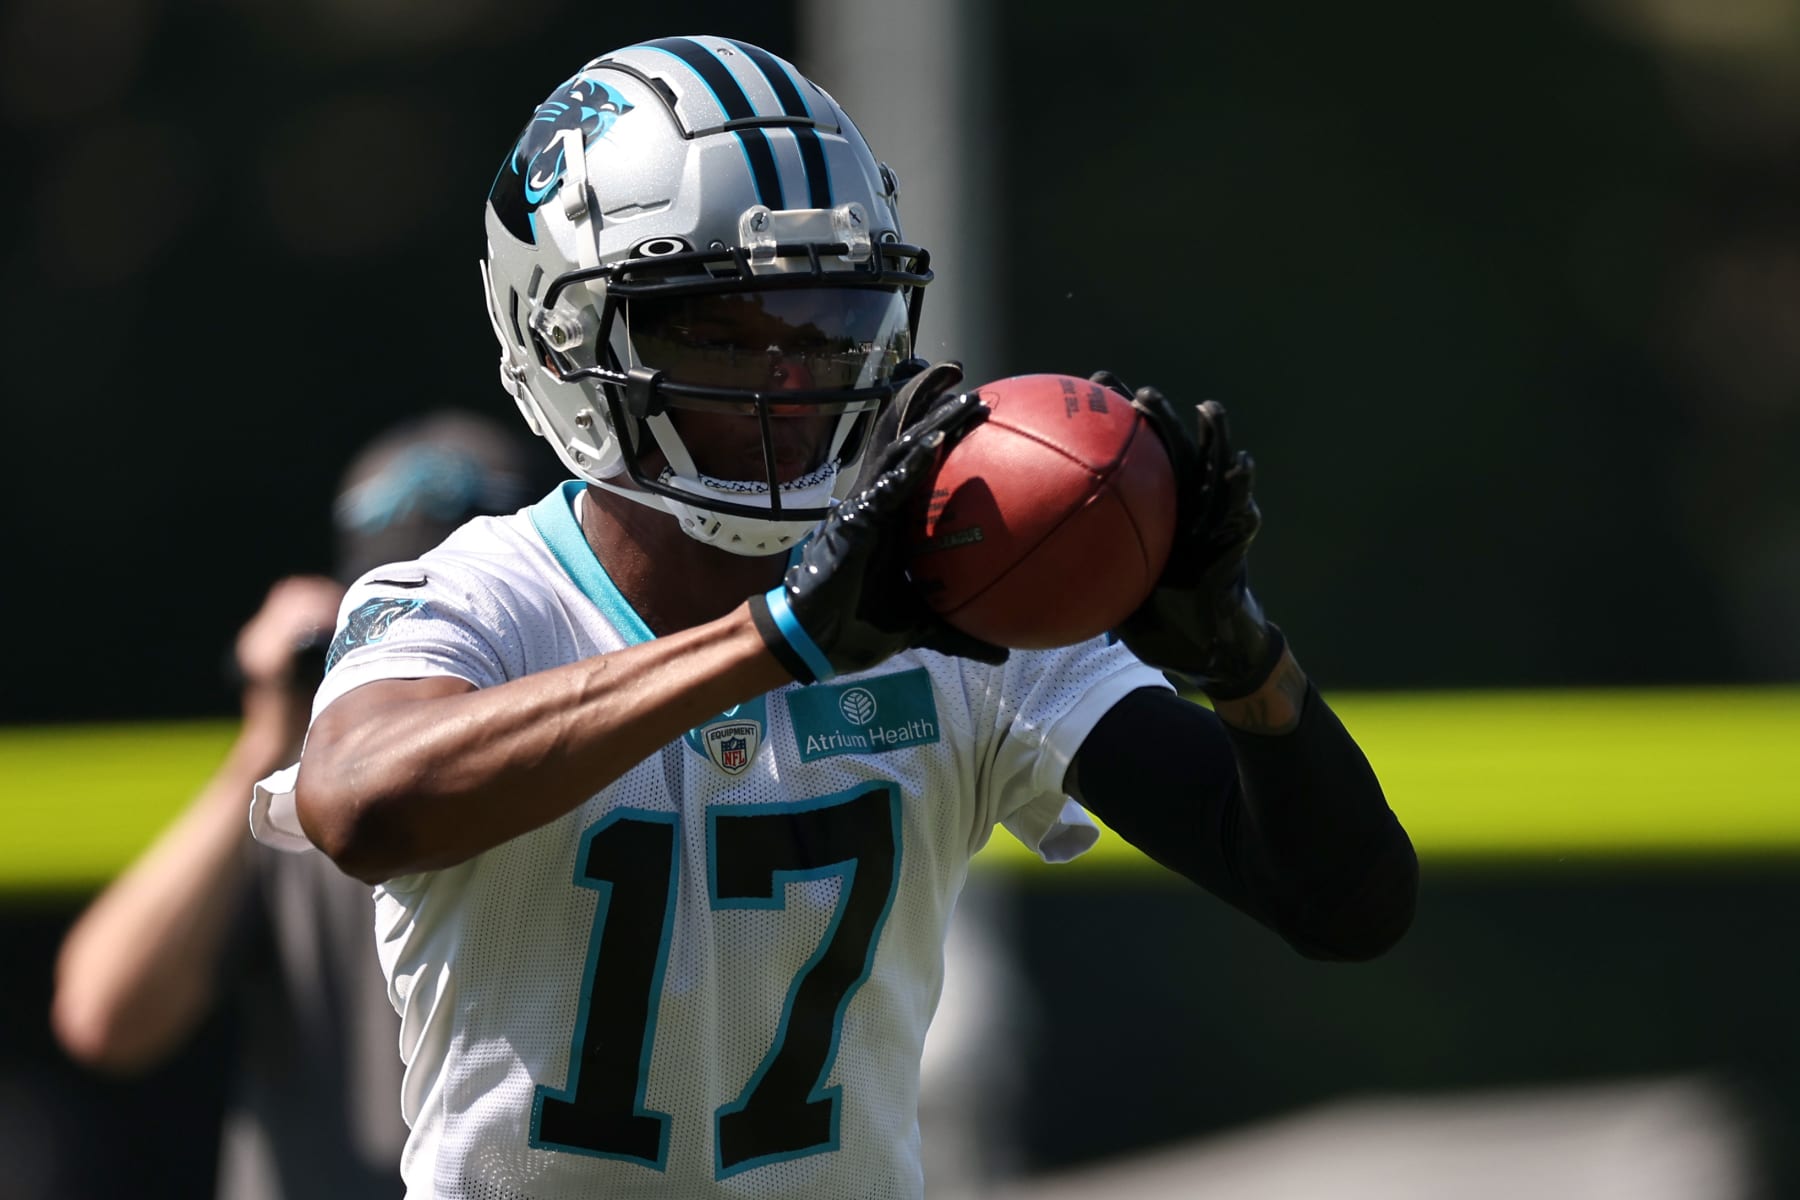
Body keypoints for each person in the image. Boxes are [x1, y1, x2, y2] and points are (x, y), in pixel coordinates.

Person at [251, 34, 1418, 1200]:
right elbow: (362, 805)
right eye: (721, 331)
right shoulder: (470, 597)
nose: (792, 381)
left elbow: (1343, 902)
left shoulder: (955, 605)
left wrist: (1246, 665)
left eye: (823, 322)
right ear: (565, 340)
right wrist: (777, 642)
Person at [51, 411, 540, 1199]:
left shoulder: (606, 775)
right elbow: (105, 1015)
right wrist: (266, 742)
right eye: (394, 619)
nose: (426, 657)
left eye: (465, 619)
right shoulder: (294, 792)